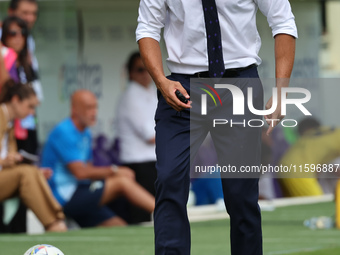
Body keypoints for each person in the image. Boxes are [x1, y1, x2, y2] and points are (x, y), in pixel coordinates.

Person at [136, 0, 297, 254]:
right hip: (180, 88)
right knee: (169, 179)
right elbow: (147, 28)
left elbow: (283, 21)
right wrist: (161, 81)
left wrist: (281, 91)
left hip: (239, 85)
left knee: (241, 192)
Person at [41, 89, 155, 228]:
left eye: (95, 107)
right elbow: (80, 173)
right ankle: (166, 213)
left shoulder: (86, 132)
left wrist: (109, 176)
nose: (94, 112)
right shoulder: (64, 131)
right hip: (61, 198)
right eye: (89, 108)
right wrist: (114, 171)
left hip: (81, 192)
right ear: (74, 109)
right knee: (122, 182)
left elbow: (88, 169)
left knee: (118, 226)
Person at [0, 79, 67, 232]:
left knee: (32, 172)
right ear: (16, 100)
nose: (32, 113)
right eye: (30, 107)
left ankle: (56, 220)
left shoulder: (9, 122)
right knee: (27, 172)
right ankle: (53, 222)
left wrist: (36, 175)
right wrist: (4, 161)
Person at [116, 51, 157, 223]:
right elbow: (150, 135)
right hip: (139, 165)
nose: (146, 74)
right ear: (131, 73)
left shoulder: (153, 91)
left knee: (156, 214)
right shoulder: (131, 95)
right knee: (142, 218)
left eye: (148, 68)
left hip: (152, 162)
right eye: (140, 70)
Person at [1, 16, 39, 161]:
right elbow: (5, 87)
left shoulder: (26, 62)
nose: (19, 37)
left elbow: (33, 93)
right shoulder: (4, 57)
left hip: (26, 120)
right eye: (13, 33)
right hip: (8, 119)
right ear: (3, 35)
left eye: (23, 33)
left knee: (27, 160)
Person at [279, 118, 340, 197]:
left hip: (285, 166)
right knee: (319, 207)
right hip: (298, 171)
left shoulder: (330, 132)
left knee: (297, 208)